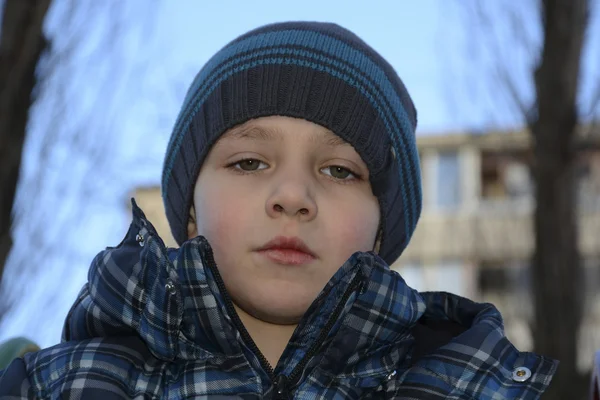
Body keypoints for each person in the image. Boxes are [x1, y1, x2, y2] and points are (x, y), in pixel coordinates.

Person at [0, 21, 558, 399]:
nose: (292, 197)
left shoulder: (469, 383)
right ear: (190, 208)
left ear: (382, 228)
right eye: (248, 163)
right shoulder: (67, 384)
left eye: (339, 170)